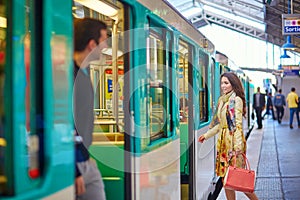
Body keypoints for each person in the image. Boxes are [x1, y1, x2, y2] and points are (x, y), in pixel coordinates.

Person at [198, 72, 258, 200]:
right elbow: (220, 124)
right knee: (226, 180)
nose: (223, 86)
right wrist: (206, 135)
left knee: (239, 180)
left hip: (233, 143)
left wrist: (237, 147)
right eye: (222, 83)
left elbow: (237, 125)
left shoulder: (236, 100)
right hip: (223, 143)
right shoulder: (222, 101)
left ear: (233, 84)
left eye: (226, 83)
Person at [73, 18, 107, 199]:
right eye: (103, 41)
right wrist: (75, 169)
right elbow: (63, 124)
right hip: (74, 163)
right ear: (92, 44)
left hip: (83, 160)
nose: (105, 47)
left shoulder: (83, 73)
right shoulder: (68, 76)